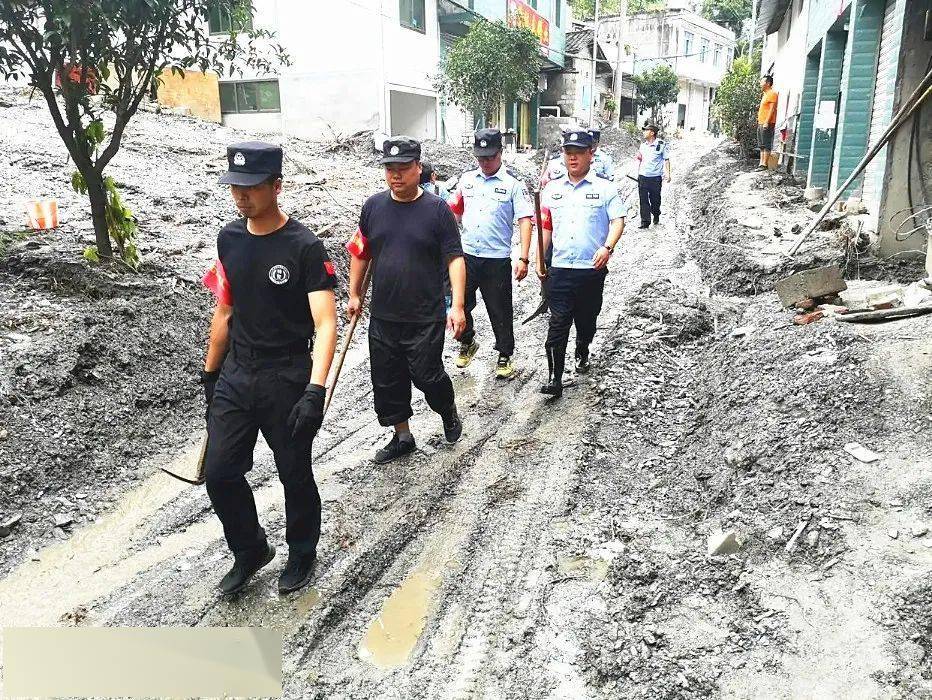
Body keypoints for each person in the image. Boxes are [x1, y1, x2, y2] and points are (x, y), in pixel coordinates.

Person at [201, 141, 338, 596]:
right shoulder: (229, 239)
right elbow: (224, 310)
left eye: (252, 187)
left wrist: (315, 391)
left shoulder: (303, 247)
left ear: (277, 186)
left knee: (293, 471)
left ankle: (302, 549)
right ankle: (250, 549)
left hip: (286, 375)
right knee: (220, 471)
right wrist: (210, 376)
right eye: (235, 186)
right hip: (238, 374)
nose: (241, 195)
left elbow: (325, 322)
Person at [346, 136, 467, 464]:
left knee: (427, 375)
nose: (395, 175)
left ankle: (447, 409)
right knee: (387, 379)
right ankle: (402, 436)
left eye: (403, 168)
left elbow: (454, 258)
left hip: (424, 315)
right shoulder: (373, 207)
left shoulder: (437, 210)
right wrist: (354, 293)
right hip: (384, 315)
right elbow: (361, 251)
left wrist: (457, 305)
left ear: (418, 168)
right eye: (390, 169)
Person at [538, 129, 627, 399]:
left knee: (587, 319)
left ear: (591, 153)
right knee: (558, 323)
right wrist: (538, 258)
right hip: (561, 268)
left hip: (591, 269)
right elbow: (546, 227)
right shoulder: (552, 190)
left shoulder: (605, 189)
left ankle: (583, 347)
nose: (572, 158)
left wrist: (607, 247)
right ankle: (555, 378)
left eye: (578, 153)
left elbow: (618, 220)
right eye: (568, 152)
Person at [447, 128, 534, 379]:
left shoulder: (513, 185)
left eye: (490, 157)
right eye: (480, 157)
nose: (485, 162)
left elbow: (525, 220)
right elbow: (454, 211)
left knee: (500, 309)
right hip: (467, 255)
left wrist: (524, 257)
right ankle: (467, 341)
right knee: (460, 302)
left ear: (500, 153)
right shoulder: (467, 180)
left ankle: (504, 353)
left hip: (496, 259)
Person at [636, 123, 671, 229]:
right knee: (643, 200)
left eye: (646, 130)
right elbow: (639, 158)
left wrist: (668, 174)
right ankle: (645, 222)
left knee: (655, 200)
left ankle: (656, 213)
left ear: (652, 133)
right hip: (643, 176)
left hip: (655, 178)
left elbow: (666, 159)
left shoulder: (661, 145)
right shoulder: (643, 145)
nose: (644, 132)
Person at [758, 75, 778, 170]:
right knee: (761, 144)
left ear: (768, 83)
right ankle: (761, 163)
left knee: (766, 144)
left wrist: (766, 122)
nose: (760, 84)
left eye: (762, 82)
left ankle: (765, 164)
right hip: (761, 122)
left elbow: (772, 109)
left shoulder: (772, 93)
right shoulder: (765, 94)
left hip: (767, 123)